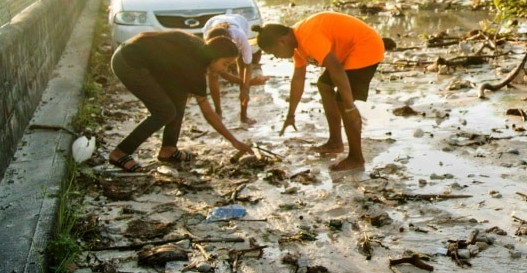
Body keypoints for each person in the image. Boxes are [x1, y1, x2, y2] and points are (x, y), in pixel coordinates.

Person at [253, 13, 384, 172]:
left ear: (281, 41)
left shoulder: (308, 36)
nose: (277, 57)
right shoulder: (296, 42)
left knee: (342, 101)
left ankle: (356, 158)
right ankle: (335, 142)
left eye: (274, 53)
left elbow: (335, 68)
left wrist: (350, 106)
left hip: (366, 46)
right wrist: (290, 115)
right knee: (323, 85)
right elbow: (298, 79)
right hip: (347, 51)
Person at [107, 30, 253, 171]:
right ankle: (120, 152)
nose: (224, 70)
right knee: (164, 112)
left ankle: (168, 149)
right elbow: (208, 113)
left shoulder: (200, 48)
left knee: (180, 97)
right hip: (129, 63)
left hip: (138, 55)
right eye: (225, 64)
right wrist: (233, 140)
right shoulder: (194, 70)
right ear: (213, 57)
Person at [201, 14, 268, 124]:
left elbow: (248, 65)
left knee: (241, 65)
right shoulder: (209, 37)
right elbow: (219, 72)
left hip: (239, 23)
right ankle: (218, 113)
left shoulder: (240, 37)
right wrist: (251, 82)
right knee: (213, 73)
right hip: (211, 23)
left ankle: (244, 115)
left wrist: (245, 88)